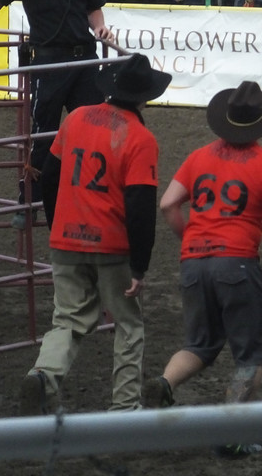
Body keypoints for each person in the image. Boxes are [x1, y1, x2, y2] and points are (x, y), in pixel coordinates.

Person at [144, 81, 262, 457]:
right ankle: (231, 434)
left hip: (194, 263)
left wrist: (190, 237)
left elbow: (168, 204)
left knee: (199, 344)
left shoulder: (198, 157)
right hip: (237, 264)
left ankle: (163, 383)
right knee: (253, 354)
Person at [19, 54, 171, 415]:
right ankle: (123, 408)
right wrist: (139, 265)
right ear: (142, 96)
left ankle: (44, 374)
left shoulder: (75, 119)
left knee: (67, 320)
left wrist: (56, 225)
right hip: (112, 245)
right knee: (129, 325)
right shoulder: (140, 138)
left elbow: (51, 176)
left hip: (67, 239)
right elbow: (139, 205)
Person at [0, 0, 111, 217]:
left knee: (94, 130)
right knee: (43, 133)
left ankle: (89, 194)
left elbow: (93, 7)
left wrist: (100, 28)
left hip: (84, 60)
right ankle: (28, 199)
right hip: (47, 63)